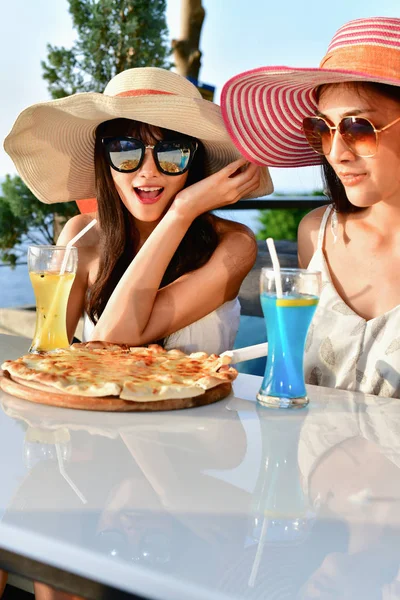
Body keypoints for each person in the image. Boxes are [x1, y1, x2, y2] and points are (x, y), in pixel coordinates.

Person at [4, 67, 273, 354]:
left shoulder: (233, 245)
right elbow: (48, 351)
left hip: (203, 400)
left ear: (193, 163)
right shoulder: (80, 237)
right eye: (125, 150)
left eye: (171, 153)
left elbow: (109, 339)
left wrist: (182, 212)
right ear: (103, 161)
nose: (148, 172)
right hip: (96, 396)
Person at [220, 16, 400, 398]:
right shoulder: (317, 233)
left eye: (357, 127)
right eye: (321, 129)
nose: (336, 153)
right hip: (302, 454)